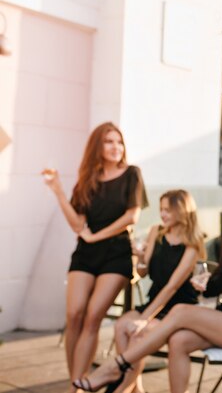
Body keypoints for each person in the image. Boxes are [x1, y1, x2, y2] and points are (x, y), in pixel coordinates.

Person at [73, 190, 222, 393]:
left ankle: (116, 366)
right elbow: (215, 289)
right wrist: (203, 284)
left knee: (179, 310)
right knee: (178, 341)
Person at [42, 121, 148, 390]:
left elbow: (131, 216)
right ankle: (76, 382)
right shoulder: (87, 179)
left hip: (116, 253)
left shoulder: (131, 174)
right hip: (86, 253)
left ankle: (78, 387)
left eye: (119, 142)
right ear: (97, 147)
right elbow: (78, 225)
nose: (116, 147)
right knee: (74, 314)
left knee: (92, 317)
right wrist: (58, 191)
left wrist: (97, 236)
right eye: (109, 141)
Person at [110, 189, 206, 393]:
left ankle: (122, 388)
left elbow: (172, 287)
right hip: (154, 301)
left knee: (137, 333)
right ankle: (134, 387)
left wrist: (144, 318)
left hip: (178, 308)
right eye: (161, 209)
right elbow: (143, 273)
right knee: (121, 325)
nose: (163, 214)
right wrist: (141, 257)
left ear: (182, 211)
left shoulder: (193, 244)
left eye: (168, 210)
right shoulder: (157, 231)